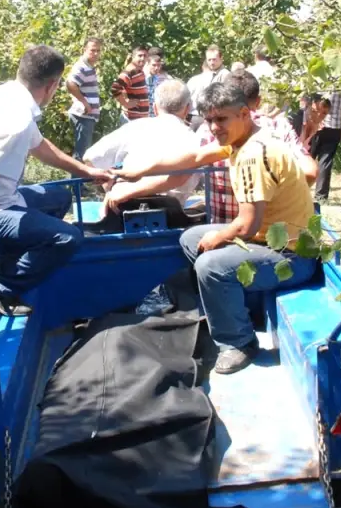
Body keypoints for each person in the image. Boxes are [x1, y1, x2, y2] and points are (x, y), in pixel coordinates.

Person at [118, 80, 317, 375]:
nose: (213, 127)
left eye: (221, 119)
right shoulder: (243, 139)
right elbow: (195, 157)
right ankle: (227, 307)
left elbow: (247, 226)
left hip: (292, 257)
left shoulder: (254, 155)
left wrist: (219, 237)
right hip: (267, 241)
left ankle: (240, 342)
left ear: (244, 114)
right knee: (190, 238)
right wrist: (139, 172)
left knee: (211, 265)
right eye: (209, 119)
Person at [0, 45, 110, 316]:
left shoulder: (8, 95)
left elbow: (40, 146)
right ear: (53, 84)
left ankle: (14, 254)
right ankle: (0, 284)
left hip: (2, 200)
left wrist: (87, 172)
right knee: (68, 238)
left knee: (62, 197)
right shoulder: (17, 120)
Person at [201, 76, 318, 224]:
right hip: (271, 225)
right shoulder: (278, 127)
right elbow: (310, 172)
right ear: (258, 101)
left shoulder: (212, 132)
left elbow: (192, 160)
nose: (214, 126)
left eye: (221, 118)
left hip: (236, 225)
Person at [85, 79, 201, 210]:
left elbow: (90, 157)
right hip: (173, 215)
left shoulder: (135, 127)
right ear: (187, 109)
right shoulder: (194, 139)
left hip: (124, 211)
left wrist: (109, 187)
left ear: (155, 108)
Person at [306, 86, 341, 201]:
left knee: (307, 158)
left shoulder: (319, 74)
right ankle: (321, 196)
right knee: (325, 161)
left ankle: (299, 190)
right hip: (334, 126)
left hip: (316, 123)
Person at [65, 37, 103, 159]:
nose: (95, 54)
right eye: (92, 50)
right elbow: (70, 84)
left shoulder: (89, 67)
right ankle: (78, 177)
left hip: (87, 115)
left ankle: (81, 177)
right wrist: (84, 102)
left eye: (98, 50)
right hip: (83, 115)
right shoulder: (82, 67)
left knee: (84, 152)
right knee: (82, 154)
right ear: (84, 50)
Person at [186, 45, 231, 130]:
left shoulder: (225, 74)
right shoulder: (211, 74)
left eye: (214, 59)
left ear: (221, 59)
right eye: (209, 60)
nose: (211, 62)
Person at [110, 45, 151, 123]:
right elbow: (115, 88)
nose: (142, 58)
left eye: (145, 56)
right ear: (133, 56)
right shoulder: (130, 71)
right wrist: (125, 103)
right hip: (131, 119)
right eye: (140, 56)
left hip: (139, 120)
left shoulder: (139, 71)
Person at [144, 47, 171, 115]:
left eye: (159, 65)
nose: (156, 68)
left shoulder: (164, 77)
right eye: (154, 65)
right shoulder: (141, 76)